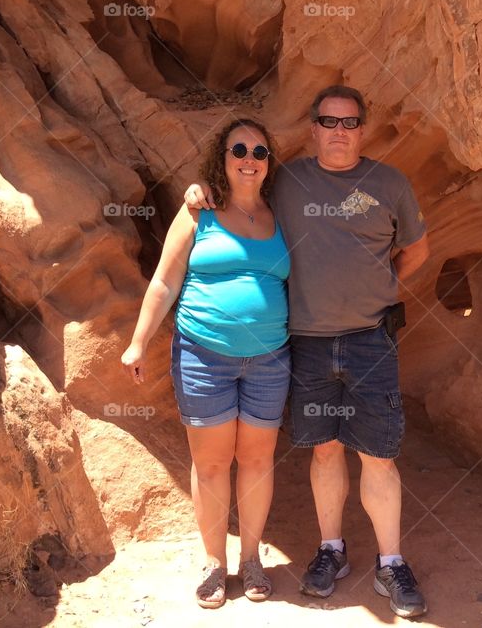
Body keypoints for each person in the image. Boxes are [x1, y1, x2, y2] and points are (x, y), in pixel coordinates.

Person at [185, 86, 431, 618]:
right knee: (323, 450)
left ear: (363, 129)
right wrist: (196, 191)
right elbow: (239, 190)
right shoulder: (288, 179)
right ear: (313, 128)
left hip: (370, 339)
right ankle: (331, 551)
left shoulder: (389, 183)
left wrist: (382, 287)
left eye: (349, 122)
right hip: (308, 343)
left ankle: (391, 561)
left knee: (379, 456)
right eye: (328, 121)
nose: (339, 131)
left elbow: (416, 249)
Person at [122, 118, 291, 608]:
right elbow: (164, 281)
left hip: (268, 358)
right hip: (203, 356)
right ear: (222, 157)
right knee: (212, 463)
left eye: (260, 152)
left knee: (257, 461)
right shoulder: (199, 212)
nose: (249, 158)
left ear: (268, 164)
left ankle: (252, 559)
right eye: (239, 149)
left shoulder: (281, 218)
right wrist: (138, 342)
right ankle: (215, 564)